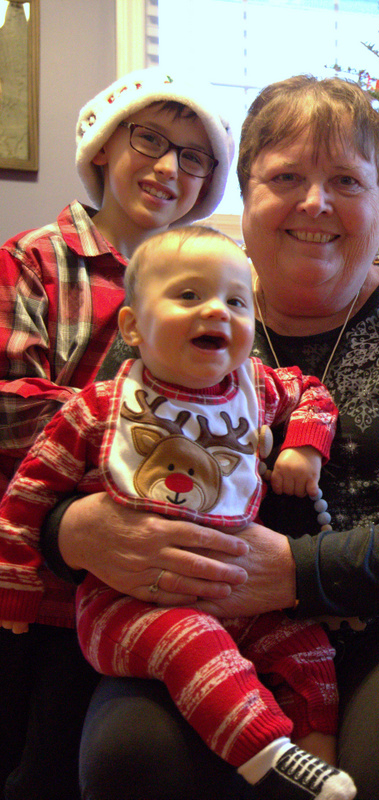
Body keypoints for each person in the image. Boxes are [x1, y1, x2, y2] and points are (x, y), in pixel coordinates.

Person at [44, 74, 379, 800]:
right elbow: (63, 467)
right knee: (134, 757)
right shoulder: (179, 312)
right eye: (286, 177)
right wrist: (71, 532)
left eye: (346, 180)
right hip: (198, 629)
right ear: (245, 197)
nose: (314, 202)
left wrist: (297, 574)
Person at [0, 225, 355, 800]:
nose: (216, 310)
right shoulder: (99, 408)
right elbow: (28, 494)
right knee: (192, 641)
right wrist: (15, 588)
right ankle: (268, 754)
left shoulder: (255, 389)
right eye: (189, 295)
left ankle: (316, 760)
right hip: (126, 608)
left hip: (236, 596)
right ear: (133, 326)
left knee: (307, 647)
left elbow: (312, 392)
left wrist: (303, 446)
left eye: (236, 302)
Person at [0, 68, 235, 800]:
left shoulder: (210, 289)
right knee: (31, 763)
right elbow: (8, 406)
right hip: (38, 592)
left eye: (194, 156)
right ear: (103, 147)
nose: (170, 168)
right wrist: (138, 425)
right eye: (150, 140)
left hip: (149, 594)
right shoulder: (33, 261)